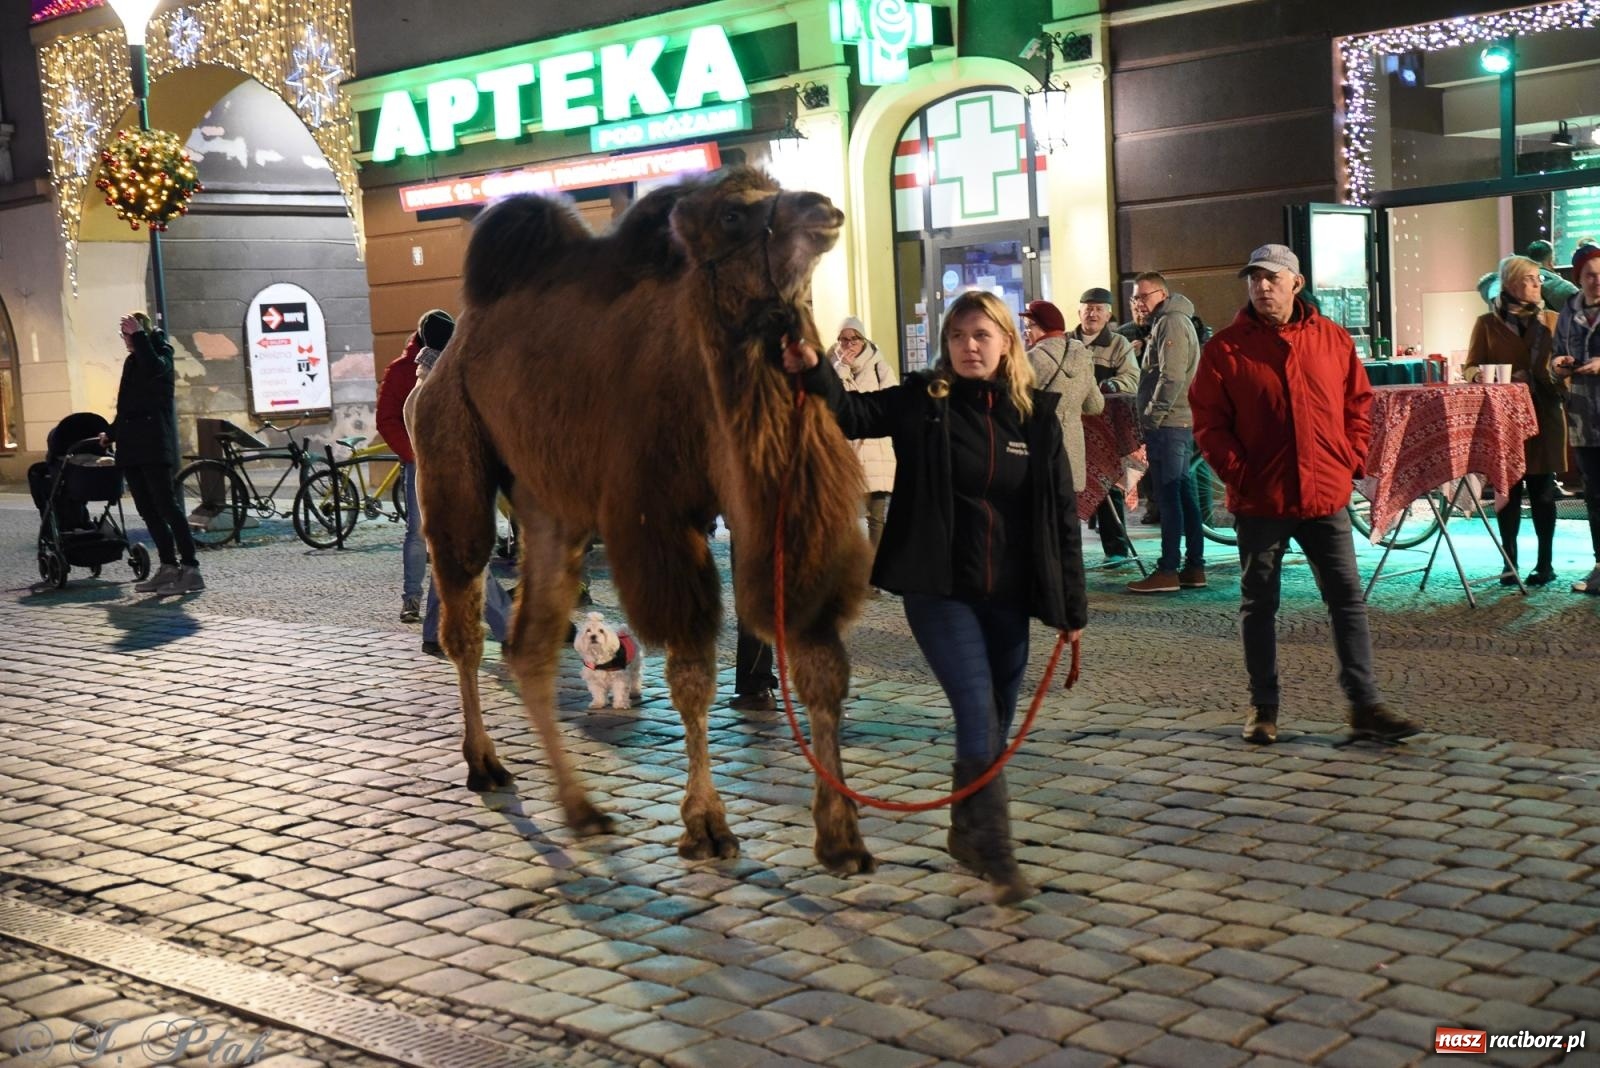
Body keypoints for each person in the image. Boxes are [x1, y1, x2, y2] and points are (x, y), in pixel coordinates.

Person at [783, 290, 1088, 905]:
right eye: (958, 337)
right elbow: (850, 414)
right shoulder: (925, 401)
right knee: (977, 715)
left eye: (982, 335)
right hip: (940, 592)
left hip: (1008, 598)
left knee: (996, 720)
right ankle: (999, 855)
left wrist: (1071, 612)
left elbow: (1059, 517)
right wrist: (814, 367)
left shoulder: (1035, 416)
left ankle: (966, 831)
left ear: (1008, 341)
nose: (969, 347)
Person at [1190, 243, 1419, 745]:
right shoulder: (1225, 348)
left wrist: (1349, 458)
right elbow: (1209, 423)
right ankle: (1263, 707)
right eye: (1254, 278)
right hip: (1262, 499)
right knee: (1259, 604)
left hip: (1325, 494)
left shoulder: (1332, 339)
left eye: (1272, 278)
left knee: (1347, 601)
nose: (1262, 286)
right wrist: (1240, 473)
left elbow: (1358, 404)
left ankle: (1364, 704)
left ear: (1296, 282)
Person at [399, 309, 515, 653]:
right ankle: (510, 630)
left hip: (436, 487)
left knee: (449, 561)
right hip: (453, 488)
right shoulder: (435, 392)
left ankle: (434, 633)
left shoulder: (420, 388)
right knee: (473, 560)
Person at [1465, 256, 1565, 587]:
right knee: (1507, 491)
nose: (1539, 284)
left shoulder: (1552, 320)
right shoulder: (1487, 323)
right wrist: (1480, 375)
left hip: (1544, 414)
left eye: (1539, 279)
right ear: (1510, 285)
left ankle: (1545, 564)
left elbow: (1566, 363)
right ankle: (1509, 561)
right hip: (1504, 420)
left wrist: (1554, 373)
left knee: (1543, 492)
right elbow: (1470, 366)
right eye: (1531, 279)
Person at [103, 312, 203, 594]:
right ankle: (168, 567)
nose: (125, 340)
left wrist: (141, 338)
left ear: (141, 333)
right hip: (132, 446)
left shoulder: (160, 352)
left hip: (154, 443)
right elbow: (127, 405)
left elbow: (155, 372)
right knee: (148, 510)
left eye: (129, 334)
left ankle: (191, 569)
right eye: (124, 334)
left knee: (167, 507)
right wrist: (111, 433)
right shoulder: (133, 360)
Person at [1126, 272, 1205, 593]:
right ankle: (1194, 567)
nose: (1139, 304)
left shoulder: (1170, 322)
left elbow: (1170, 376)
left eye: (1143, 297)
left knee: (1169, 495)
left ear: (1161, 293)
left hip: (1170, 423)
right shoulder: (1168, 321)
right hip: (1174, 421)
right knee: (1182, 494)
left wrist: (1152, 417)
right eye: (1135, 298)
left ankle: (1169, 569)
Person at [375, 313, 433, 623]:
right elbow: (387, 419)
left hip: (439, 461)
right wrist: (412, 454)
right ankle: (412, 598)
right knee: (418, 533)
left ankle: (434, 607)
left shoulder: (447, 364)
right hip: (418, 462)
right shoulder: (401, 371)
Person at [827, 317, 896, 574]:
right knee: (845, 517)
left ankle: (873, 572)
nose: (848, 344)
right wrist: (841, 369)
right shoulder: (831, 367)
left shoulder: (879, 367)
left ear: (863, 340)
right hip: (847, 452)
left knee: (877, 517)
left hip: (876, 448)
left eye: (853, 339)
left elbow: (889, 402)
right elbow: (831, 400)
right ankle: (851, 569)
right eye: (843, 339)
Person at [1075, 287, 1140, 561]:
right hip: (1072, 428)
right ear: (1079, 311)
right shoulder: (1068, 342)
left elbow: (1132, 378)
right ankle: (1066, 552)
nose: (1092, 313)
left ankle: (1116, 551)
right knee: (1070, 487)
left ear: (1108, 314)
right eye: (1088, 307)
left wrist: (1112, 384)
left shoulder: (1118, 344)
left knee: (1107, 485)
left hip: (1105, 428)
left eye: (1098, 308)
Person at [1552, 243, 1600, 594]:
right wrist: (1557, 366)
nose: (1597, 281)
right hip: (1584, 418)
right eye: (1590, 275)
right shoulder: (1568, 311)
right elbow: (1556, 356)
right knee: (1595, 496)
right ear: (1579, 279)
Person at [1023, 299, 1103, 497]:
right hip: (1072, 455)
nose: (1026, 332)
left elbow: (1016, 405)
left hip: (1041, 451)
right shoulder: (1083, 358)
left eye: (1028, 326)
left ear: (1041, 326)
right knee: (1068, 519)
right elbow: (1095, 405)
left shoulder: (1033, 359)